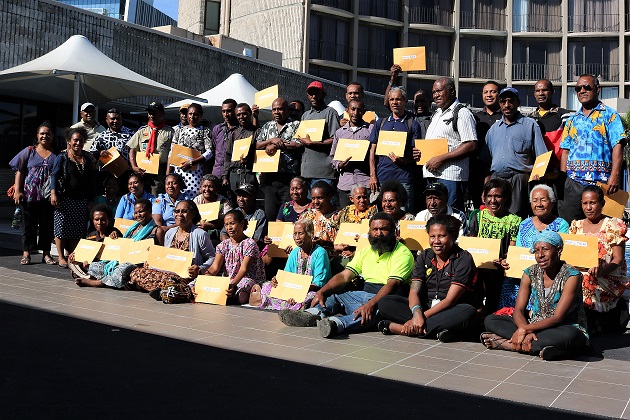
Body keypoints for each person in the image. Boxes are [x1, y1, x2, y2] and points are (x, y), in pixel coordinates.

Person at [278, 212, 414, 338]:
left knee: (376, 311)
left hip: (387, 300)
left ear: (393, 231)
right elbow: (344, 276)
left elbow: (392, 284)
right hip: (363, 296)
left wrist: (371, 304)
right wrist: (322, 291)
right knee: (334, 296)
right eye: (374, 230)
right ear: (369, 232)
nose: (378, 233)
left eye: (383, 229)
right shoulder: (366, 251)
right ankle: (311, 315)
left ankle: (336, 324)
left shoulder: (403, 253)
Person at [482, 231, 588, 361]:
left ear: (558, 250)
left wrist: (524, 329)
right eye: (536, 251)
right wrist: (526, 330)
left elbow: (558, 317)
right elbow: (519, 310)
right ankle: (542, 347)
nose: (540, 255)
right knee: (491, 320)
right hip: (535, 325)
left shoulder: (572, 276)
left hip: (563, 327)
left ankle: (508, 344)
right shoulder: (530, 273)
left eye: (545, 249)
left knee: (571, 336)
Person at [378, 215, 479, 342]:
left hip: (451, 309)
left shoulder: (464, 259)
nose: (436, 241)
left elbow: (450, 300)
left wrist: (421, 317)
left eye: (442, 236)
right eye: (432, 236)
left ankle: (399, 328)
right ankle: (439, 331)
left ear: (453, 237)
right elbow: (414, 291)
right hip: (426, 307)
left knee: (468, 312)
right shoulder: (424, 256)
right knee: (385, 302)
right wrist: (417, 313)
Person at [558, 74, 627, 222]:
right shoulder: (571, 120)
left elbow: (618, 145)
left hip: (602, 183)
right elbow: (565, 150)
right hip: (573, 182)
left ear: (598, 89)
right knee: (571, 228)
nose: (582, 91)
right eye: (578, 88)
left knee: (604, 231)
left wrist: (614, 175)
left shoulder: (610, 115)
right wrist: (563, 180)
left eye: (586, 87)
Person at [569, 185, 629, 333]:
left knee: (585, 280)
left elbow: (618, 259)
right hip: (582, 272)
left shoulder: (613, 225)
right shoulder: (577, 226)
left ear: (602, 204)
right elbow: (571, 255)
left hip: (608, 274)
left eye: (593, 203)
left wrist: (602, 271)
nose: (588, 207)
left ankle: (588, 322)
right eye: (585, 203)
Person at [498, 184, 569, 309]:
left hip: (548, 274)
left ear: (552, 203)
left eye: (543, 200)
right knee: (509, 284)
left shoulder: (561, 224)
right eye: (535, 201)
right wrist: (509, 261)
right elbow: (519, 252)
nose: (539, 204)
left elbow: (561, 253)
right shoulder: (525, 223)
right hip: (522, 274)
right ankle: (509, 317)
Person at [481, 87, 547, 218]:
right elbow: (486, 163)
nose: (507, 105)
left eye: (510, 101)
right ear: (499, 104)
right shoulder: (493, 130)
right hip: (496, 179)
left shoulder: (530, 125)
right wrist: (485, 187)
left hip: (519, 179)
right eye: (503, 101)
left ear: (518, 103)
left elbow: (542, 156)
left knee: (515, 217)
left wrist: (537, 176)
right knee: (495, 217)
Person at [128, 200, 215, 293]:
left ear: (193, 214)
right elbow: (165, 257)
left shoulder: (200, 234)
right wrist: (151, 262)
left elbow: (212, 258)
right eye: (177, 211)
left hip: (185, 276)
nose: (180, 215)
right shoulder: (170, 233)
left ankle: (164, 289)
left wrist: (200, 269)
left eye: (184, 211)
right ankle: (165, 289)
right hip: (167, 272)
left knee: (169, 280)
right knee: (136, 272)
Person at [73, 199, 159, 288]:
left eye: (141, 212)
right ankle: (93, 277)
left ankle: (98, 283)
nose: (138, 215)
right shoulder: (133, 228)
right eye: (136, 212)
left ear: (150, 211)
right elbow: (123, 245)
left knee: (122, 268)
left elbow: (158, 252)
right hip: (121, 258)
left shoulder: (157, 230)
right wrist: (115, 238)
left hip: (137, 263)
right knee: (96, 266)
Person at [467, 178, 522, 314]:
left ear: (506, 198)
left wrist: (504, 259)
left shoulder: (514, 220)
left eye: (497, 196)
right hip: (478, 265)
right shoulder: (478, 216)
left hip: (499, 267)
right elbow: (473, 242)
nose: (493, 200)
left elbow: (512, 247)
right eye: (489, 196)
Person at [423, 77, 478, 210]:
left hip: (450, 177)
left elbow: (471, 144)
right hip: (432, 175)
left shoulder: (462, 112)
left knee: (451, 217)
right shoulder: (436, 114)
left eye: (439, 91)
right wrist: (421, 153)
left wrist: (441, 158)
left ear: (452, 91)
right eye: (434, 92)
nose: (436, 95)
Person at [252, 219, 332, 310]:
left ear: (310, 234)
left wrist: (297, 292)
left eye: (300, 233)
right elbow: (287, 276)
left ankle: (287, 305)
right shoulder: (294, 252)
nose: (297, 237)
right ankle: (289, 305)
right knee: (267, 286)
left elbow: (318, 283)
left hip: (310, 290)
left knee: (310, 297)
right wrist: (278, 281)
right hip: (292, 289)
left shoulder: (320, 253)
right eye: (295, 233)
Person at [11, 121, 57, 265]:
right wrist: (17, 191)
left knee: (46, 226)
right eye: (42, 133)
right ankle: (26, 253)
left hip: (47, 198)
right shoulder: (29, 151)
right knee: (29, 227)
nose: (45, 136)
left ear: (52, 136)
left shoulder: (56, 155)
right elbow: (20, 171)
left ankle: (47, 254)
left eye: (48, 133)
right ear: (37, 136)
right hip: (29, 196)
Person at [369, 86, 422, 213]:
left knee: (404, 217)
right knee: (382, 216)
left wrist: (403, 161)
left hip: (404, 178)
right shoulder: (380, 123)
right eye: (391, 99)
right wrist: (372, 175)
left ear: (405, 101)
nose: (394, 102)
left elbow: (417, 154)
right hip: (382, 178)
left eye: (398, 99)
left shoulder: (412, 124)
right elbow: (372, 151)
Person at [50, 127, 96, 268]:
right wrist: (53, 193)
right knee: (61, 228)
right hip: (64, 198)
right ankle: (61, 257)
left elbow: (91, 180)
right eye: (75, 140)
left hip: (81, 199)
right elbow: (54, 175)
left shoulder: (87, 158)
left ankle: (72, 255)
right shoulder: (62, 157)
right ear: (69, 141)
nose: (78, 143)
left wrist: (90, 199)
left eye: (81, 141)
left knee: (76, 229)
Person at [199, 209, 265, 305]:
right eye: (226, 225)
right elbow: (214, 267)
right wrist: (204, 281)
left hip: (247, 279)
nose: (229, 227)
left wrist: (232, 284)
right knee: (199, 281)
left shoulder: (250, 244)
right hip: (229, 280)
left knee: (244, 285)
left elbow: (244, 269)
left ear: (242, 224)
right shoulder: (224, 245)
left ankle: (233, 297)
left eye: (232, 223)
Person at [256, 97, 303, 222]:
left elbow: (297, 144)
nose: (277, 112)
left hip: (289, 178)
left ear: (287, 110)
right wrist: (271, 140)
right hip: (270, 179)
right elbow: (257, 145)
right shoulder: (267, 126)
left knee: (288, 214)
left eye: (280, 109)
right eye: (274, 109)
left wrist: (275, 145)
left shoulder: (295, 125)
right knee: (270, 214)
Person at [330, 99, 373, 208]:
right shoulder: (340, 132)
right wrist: (339, 165)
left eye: (359, 110)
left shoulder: (371, 130)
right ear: (347, 110)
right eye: (353, 109)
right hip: (345, 184)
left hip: (365, 182)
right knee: (345, 218)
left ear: (364, 111)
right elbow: (333, 157)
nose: (355, 113)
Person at [298, 81, 341, 190]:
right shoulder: (305, 115)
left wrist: (313, 143)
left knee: (323, 206)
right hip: (306, 172)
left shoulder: (330, 113)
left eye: (317, 93)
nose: (314, 96)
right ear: (307, 96)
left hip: (323, 173)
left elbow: (336, 140)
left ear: (323, 94)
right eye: (311, 94)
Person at [127, 101, 174, 196]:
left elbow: (172, 153)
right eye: (150, 113)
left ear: (162, 114)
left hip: (160, 170)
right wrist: (134, 166)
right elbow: (132, 149)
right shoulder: (142, 130)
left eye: (155, 113)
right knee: (141, 193)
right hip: (143, 169)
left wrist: (168, 172)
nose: (152, 115)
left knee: (156, 195)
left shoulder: (170, 132)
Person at [168, 102, 213, 197]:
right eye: (190, 114)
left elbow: (209, 152)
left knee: (192, 198)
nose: (192, 116)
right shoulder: (179, 130)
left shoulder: (205, 131)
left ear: (200, 116)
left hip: (195, 173)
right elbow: (172, 151)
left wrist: (192, 162)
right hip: (179, 171)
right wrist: (168, 174)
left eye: (195, 114)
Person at [67, 204, 123, 280]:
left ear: (108, 220)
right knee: (71, 262)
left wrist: (116, 237)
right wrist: (76, 258)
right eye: (96, 220)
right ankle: (88, 276)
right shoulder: (91, 236)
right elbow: (85, 254)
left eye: (102, 219)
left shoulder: (114, 233)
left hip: (105, 266)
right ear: (93, 221)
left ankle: (88, 277)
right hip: (90, 265)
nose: (99, 222)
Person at [473, 81, 502, 208]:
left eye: (493, 91)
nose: (489, 95)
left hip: (499, 168)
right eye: (486, 92)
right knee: (479, 205)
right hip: (478, 169)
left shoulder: (505, 116)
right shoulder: (475, 118)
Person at [529, 79, 570, 169]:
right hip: (537, 171)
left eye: (544, 90)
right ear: (534, 94)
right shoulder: (529, 119)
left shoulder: (564, 115)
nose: (541, 93)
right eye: (537, 91)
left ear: (552, 92)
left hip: (559, 170)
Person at [89, 108, 134, 187]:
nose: (115, 121)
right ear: (107, 120)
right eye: (112, 119)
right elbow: (91, 154)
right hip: (107, 174)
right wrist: (100, 153)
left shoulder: (130, 134)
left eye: (117, 118)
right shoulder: (101, 137)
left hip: (126, 174)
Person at [333, 185, 377, 260]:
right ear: (351, 199)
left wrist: (355, 252)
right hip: (344, 251)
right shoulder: (345, 211)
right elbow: (338, 233)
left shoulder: (373, 213)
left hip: (364, 252)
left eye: (364, 197)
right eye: (358, 197)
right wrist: (337, 246)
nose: (362, 200)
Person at [223, 103, 258, 191]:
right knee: (234, 203)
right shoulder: (234, 133)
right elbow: (228, 155)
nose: (241, 117)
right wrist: (225, 176)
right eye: (238, 115)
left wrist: (249, 159)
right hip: (234, 175)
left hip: (249, 174)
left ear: (250, 114)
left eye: (244, 114)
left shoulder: (256, 132)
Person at [297, 181, 339, 251]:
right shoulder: (307, 215)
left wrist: (323, 243)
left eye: (320, 198)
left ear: (329, 196)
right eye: (313, 198)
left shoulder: (339, 216)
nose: (316, 202)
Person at [152, 173, 189, 239]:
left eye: (174, 183)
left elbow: (189, 220)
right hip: (164, 233)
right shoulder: (160, 200)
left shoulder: (187, 199)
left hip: (185, 230)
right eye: (168, 183)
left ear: (180, 185)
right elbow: (157, 222)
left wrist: (169, 228)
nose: (170, 186)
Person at [209, 98, 239, 178]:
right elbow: (213, 150)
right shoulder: (217, 129)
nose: (226, 114)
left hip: (233, 174)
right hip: (217, 173)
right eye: (223, 111)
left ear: (235, 111)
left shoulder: (240, 129)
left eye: (229, 111)